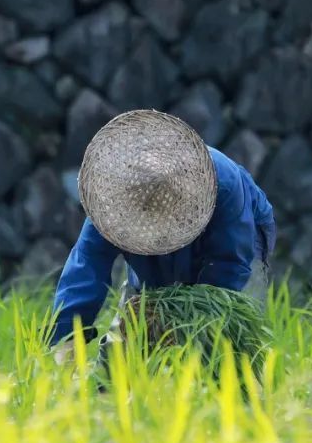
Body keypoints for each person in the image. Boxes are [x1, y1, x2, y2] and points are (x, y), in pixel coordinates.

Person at [48, 109, 276, 359]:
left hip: (235, 240)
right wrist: (65, 339)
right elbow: (87, 263)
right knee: (137, 326)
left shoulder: (223, 184)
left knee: (226, 348)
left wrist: (188, 325)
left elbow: (229, 266)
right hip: (151, 255)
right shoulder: (112, 197)